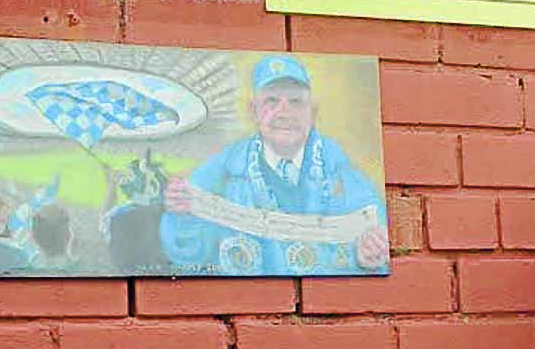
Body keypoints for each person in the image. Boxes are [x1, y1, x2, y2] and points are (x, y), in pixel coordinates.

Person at [159, 55, 388, 275]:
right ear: (254, 111)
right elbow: (189, 256)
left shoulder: (341, 172)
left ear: (313, 112)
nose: (284, 112)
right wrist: (182, 216)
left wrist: (367, 253)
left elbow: (373, 240)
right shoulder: (222, 171)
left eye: (296, 102)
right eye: (272, 101)